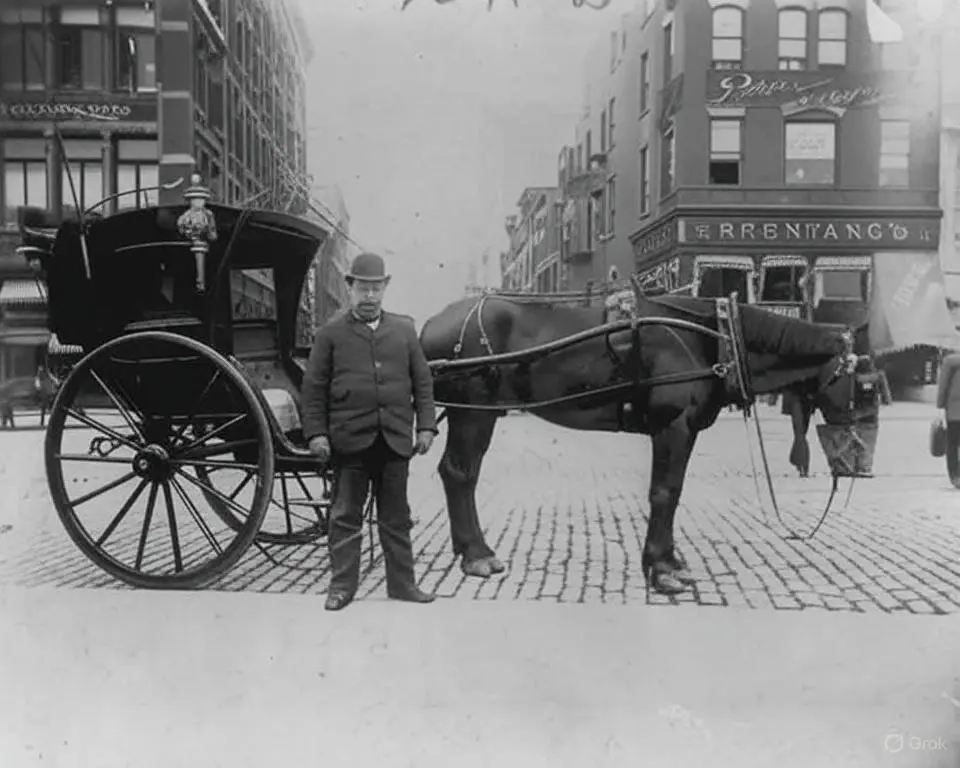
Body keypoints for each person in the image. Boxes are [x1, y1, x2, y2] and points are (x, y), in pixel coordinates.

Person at [300, 252, 439, 611]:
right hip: (350, 441)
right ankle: (342, 588)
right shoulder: (330, 333)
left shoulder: (404, 331)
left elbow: (422, 382)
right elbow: (314, 387)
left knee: (396, 517)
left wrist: (425, 426)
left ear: (385, 288)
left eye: (376, 288)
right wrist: (316, 433)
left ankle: (403, 585)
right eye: (363, 288)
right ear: (351, 288)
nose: (370, 296)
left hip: (393, 440)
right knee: (345, 515)